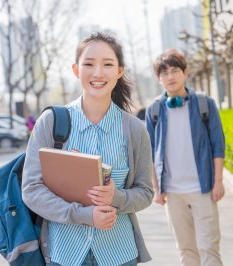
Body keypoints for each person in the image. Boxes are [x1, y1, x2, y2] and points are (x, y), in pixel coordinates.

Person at [22, 32, 154, 266]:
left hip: (119, 253)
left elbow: (145, 192)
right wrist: (83, 216)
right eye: (89, 64)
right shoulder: (50, 122)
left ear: (120, 71)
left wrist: (117, 196)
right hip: (65, 254)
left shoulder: (134, 129)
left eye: (108, 64)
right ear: (76, 70)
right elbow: (32, 189)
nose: (98, 73)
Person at [145, 48, 225, 266]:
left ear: (185, 72)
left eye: (174, 71)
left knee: (209, 248)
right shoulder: (154, 110)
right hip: (173, 193)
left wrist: (218, 182)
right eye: (164, 73)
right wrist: (156, 188)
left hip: (203, 189)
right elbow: (150, 152)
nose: (170, 77)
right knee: (186, 251)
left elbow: (218, 145)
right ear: (159, 79)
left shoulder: (204, 104)